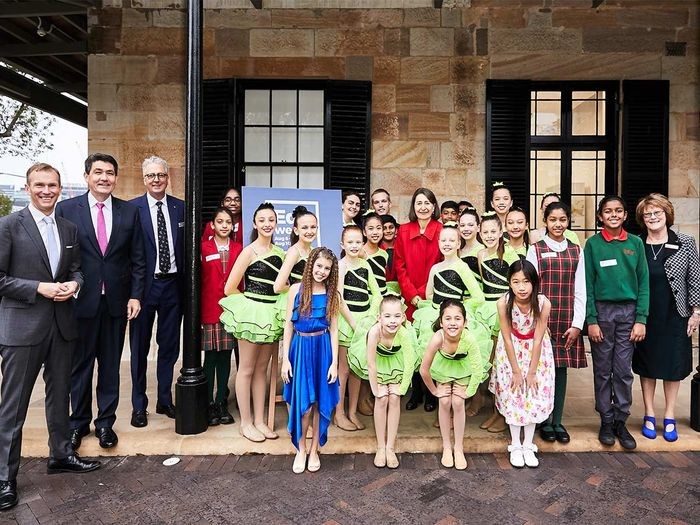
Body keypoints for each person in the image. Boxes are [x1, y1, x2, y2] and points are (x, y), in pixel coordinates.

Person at [0, 163, 100, 511]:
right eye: (40, 185)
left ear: (61, 189)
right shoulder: (9, 226)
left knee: (61, 398)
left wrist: (75, 284)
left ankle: (61, 455)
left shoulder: (68, 228)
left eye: (52, 185)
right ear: (28, 188)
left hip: (61, 325)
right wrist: (38, 288)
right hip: (23, 328)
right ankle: (4, 478)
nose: (47, 190)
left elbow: (75, 269)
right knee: (13, 407)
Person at [56, 153, 146, 450]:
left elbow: (138, 258)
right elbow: (61, 257)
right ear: (87, 176)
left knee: (109, 367)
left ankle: (105, 424)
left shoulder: (129, 211)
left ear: (116, 178)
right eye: (98, 172)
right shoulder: (67, 209)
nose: (104, 177)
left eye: (109, 173)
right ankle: (78, 423)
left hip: (116, 303)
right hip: (80, 302)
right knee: (80, 367)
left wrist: (135, 295)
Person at [633, 194, 700, 442]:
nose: (652, 217)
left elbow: (695, 277)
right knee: (647, 365)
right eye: (647, 214)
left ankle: (669, 415)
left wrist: (697, 311)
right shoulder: (637, 243)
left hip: (675, 314)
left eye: (657, 213)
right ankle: (649, 414)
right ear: (642, 218)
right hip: (645, 314)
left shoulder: (685, 241)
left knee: (672, 366)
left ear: (667, 214)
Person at [584, 196, 649, 451]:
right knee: (602, 370)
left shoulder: (635, 244)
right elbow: (587, 284)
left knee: (622, 370)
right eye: (608, 211)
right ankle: (606, 420)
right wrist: (592, 320)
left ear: (624, 215)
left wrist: (640, 319)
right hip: (602, 313)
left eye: (618, 211)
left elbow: (643, 283)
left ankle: (621, 419)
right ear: (600, 216)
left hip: (628, 313)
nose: (613, 215)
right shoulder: (593, 245)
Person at [220, 202, 284, 442]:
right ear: (255, 224)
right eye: (262, 220)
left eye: (271, 220)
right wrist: (250, 307)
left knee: (262, 370)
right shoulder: (248, 251)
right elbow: (230, 288)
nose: (267, 224)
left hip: (271, 315)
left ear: (276, 223)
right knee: (246, 368)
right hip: (251, 316)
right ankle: (245, 423)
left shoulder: (280, 254)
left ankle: (259, 420)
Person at [128, 156, 184, 428]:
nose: (156, 179)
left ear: (167, 177)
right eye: (151, 175)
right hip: (143, 289)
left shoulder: (180, 208)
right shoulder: (130, 209)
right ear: (144, 178)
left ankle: (164, 398)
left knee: (169, 346)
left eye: (161, 175)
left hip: (173, 286)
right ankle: (139, 405)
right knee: (139, 348)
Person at [526, 201, 586, 445]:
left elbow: (580, 289)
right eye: (553, 220)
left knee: (560, 371)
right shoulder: (536, 249)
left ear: (568, 221)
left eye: (562, 219)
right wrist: (538, 319)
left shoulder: (576, 250)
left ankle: (557, 420)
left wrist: (577, 324)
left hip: (567, 319)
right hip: (544, 319)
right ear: (545, 221)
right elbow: (530, 288)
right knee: (542, 370)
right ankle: (543, 419)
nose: (558, 224)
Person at [490, 260, 554, 468]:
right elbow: (507, 337)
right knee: (514, 394)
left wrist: (532, 371)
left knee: (533, 393)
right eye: (516, 282)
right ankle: (515, 444)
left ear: (534, 282)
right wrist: (516, 370)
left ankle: (528, 444)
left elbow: (538, 337)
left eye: (526, 281)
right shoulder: (503, 303)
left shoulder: (543, 303)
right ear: (509, 283)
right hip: (511, 352)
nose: (521, 287)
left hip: (537, 352)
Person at [282, 247, 340, 474]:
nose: (322, 271)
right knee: (304, 406)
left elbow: (334, 330)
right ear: (310, 266)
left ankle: (315, 449)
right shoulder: (295, 290)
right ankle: (301, 449)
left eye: (327, 268)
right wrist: (285, 359)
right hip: (300, 349)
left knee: (319, 404)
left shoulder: (332, 294)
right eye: (318, 266)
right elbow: (288, 326)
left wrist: (334, 362)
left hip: (323, 349)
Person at [348, 295, 419, 469]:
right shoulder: (374, 332)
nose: (392, 321)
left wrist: (401, 389)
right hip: (378, 365)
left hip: (397, 364)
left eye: (396, 316)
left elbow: (409, 363)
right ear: (379, 318)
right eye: (387, 316)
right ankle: (380, 447)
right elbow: (371, 364)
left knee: (394, 399)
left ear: (403, 317)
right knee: (382, 399)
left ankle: (390, 447)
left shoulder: (404, 333)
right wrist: (376, 390)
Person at [420, 300, 486, 470]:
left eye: (458, 318)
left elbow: (478, 370)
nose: (453, 323)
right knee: (444, 401)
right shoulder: (438, 338)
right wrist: (435, 392)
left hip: (464, 369)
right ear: (441, 322)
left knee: (457, 402)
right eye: (448, 319)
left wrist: (468, 393)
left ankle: (459, 447)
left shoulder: (469, 338)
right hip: (443, 367)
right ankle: (447, 446)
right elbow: (424, 370)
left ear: (465, 322)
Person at [394, 187, 443, 412]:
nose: (423, 207)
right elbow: (399, 265)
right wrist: (411, 294)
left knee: (430, 343)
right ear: (413, 207)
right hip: (409, 299)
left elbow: (442, 265)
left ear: (434, 207)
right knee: (412, 343)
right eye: (418, 203)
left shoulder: (442, 231)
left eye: (427, 203)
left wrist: (423, 294)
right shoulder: (403, 231)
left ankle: (430, 392)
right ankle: (415, 391)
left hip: (432, 298)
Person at [471, 212, 519, 432]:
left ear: (501, 232)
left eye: (493, 231)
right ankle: (493, 410)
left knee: (502, 364)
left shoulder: (510, 254)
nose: (489, 235)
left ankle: (502, 413)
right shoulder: (480, 255)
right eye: (485, 232)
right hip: (485, 311)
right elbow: (484, 285)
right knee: (489, 364)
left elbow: (516, 284)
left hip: (505, 308)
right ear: (480, 233)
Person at [412, 223, 486, 351]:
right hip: (435, 314)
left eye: (452, 240)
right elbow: (429, 294)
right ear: (439, 242)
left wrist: (458, 306)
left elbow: (479, 297)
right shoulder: (435, 268)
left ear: (458, 244)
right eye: (444, 240)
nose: (447, 244)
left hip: (454, 316)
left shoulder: (462, 267)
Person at [336, 225, 380, 431]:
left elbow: (376, 293)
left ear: (363, 243)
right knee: (343, 370)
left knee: (357, 370)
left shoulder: (366, 264)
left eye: (357, 242)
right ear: (342, 244)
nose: (354, 246)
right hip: (348, 322)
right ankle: (339, 413)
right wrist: (354, 323)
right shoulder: (341, 266)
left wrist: (371, 317)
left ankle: (353, 411)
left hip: (365, 320)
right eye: (350, 242)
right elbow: (339, 298)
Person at [201, 208, 242, 427]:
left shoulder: (238, 248)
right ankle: (207, 402)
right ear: (213, 225)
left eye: (228, 222)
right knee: (210, 357)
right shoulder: (203, 247)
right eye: (220, 221)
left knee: (225, 356)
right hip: (209, 308)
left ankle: (221, 402)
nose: (224, 225)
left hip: (231, 309)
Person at [361, 212, 388, 296]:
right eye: (371, 228)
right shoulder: (360, 253)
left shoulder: (384, 254)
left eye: (378, 228)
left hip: (383, 296)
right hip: (367, 298)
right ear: (364, 232)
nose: (375, 232)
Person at [458, 207, 484, 286]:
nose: (466, 229)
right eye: (462, 225)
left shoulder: (483, 250)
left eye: (470, 225)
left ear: (478, 228)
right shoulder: (457, 251)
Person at [381, 214, 400, 296]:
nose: (388, 231)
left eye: (391, 227)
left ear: (396, 230)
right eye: (384, 228)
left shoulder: (402, 248)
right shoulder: (376, 249)